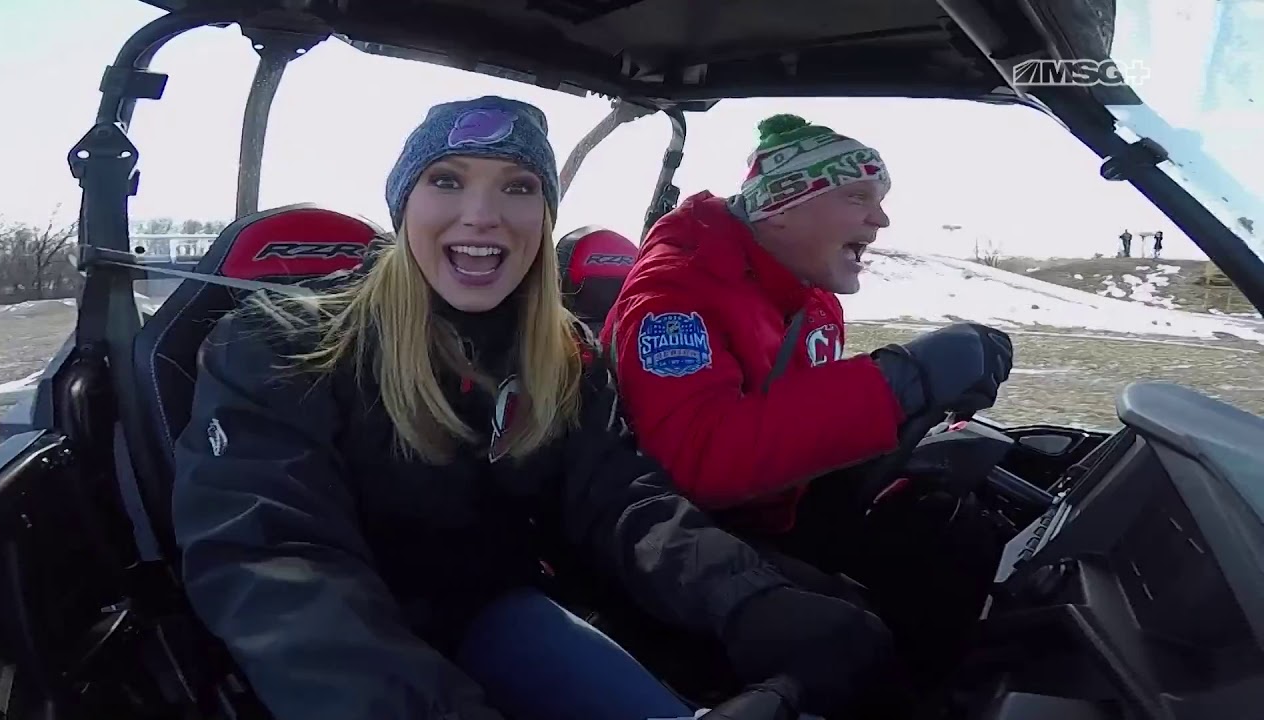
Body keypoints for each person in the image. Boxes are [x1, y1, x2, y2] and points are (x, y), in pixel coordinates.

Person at [171, 97, 899, 720]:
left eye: (518, 188)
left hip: (501, 618)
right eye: (447, 181)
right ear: (404, 205)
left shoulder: (559, 352)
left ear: (545, 215)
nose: (482, 215)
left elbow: (619, 500)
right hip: (342, 669)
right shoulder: (283, 346)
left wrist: (748, 600)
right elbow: (278, 561)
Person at [601, 113, 1014, 688]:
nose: (881, 217)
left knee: (952, 533)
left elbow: (795, 411)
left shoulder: (813, 300)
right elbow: (699, 460)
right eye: (858, 197)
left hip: (783, 508)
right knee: (859, 638)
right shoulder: (674, 295)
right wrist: (901, 380)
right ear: (785, 205)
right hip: (675, 536)